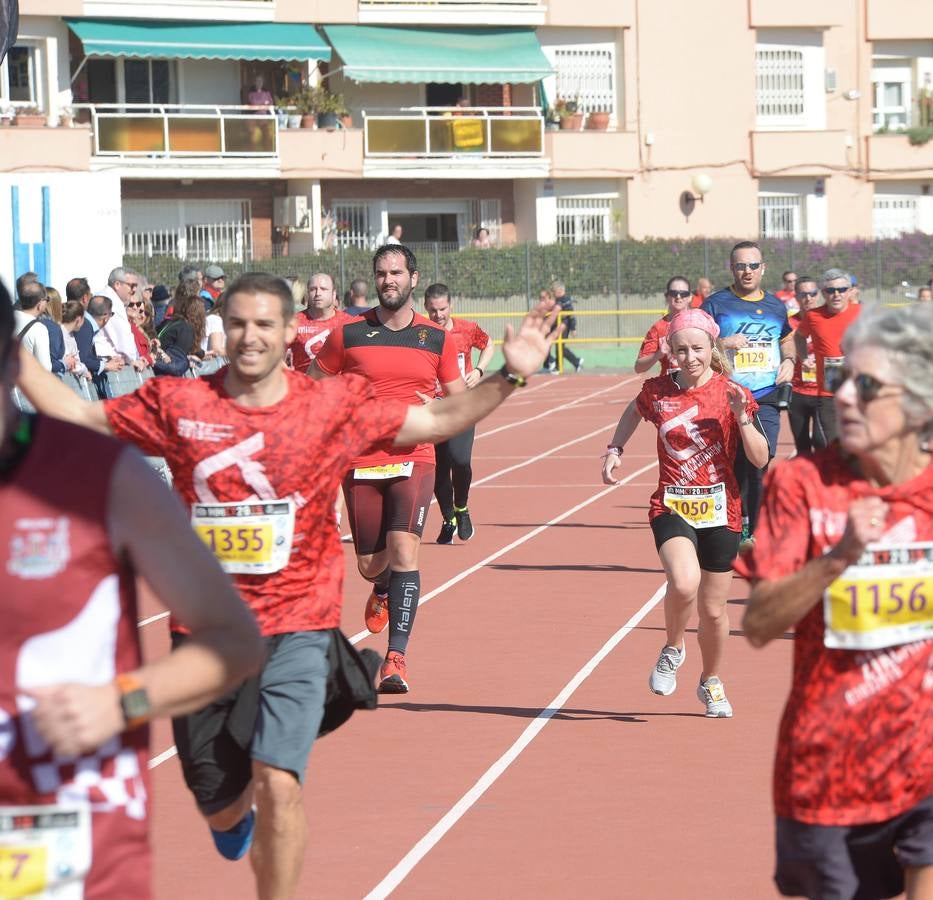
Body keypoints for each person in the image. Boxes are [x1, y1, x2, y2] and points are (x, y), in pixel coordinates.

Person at [17, 270, 559, 900]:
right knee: (220, 803)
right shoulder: (182, 404)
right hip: (206, 638)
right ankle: (230, 816)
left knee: (280, 780)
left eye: (265, 325)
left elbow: (435, 418)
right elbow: (80, 413)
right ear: (225, 327)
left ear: (290, 331)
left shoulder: (328, 406)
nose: (250, 337)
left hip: (299, 625)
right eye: (239, 323)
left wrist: (510, 375)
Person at [739, 303, 933, 900]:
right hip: (831, 757)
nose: (846, 398)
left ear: (920, 401)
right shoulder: (800, 485)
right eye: (842, 382)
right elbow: (758, 623)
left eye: (868, 385)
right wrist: (840, 557)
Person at [0, 280, 264, 899]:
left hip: (64, 838)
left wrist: (124, 702)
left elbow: (235, 640)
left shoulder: (99, 478)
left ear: (12, 364)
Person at [310, 245, 465, 693]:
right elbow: (312, 387)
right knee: (370, 564)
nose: (388, 280)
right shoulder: (349, 334)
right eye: (381, 274)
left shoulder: (436, 338)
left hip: (415, 456)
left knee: (405, 552)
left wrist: (435, 406)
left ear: (413, 278)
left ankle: (396, 659)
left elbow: (457, 401)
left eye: (396, 273)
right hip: (360, 458)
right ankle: (381, 589)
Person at [602, 308, 769, 717]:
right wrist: (614, 449)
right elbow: (631, 412)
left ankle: (711, 682)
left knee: (714, 610)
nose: (690, 357)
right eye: (681, 350)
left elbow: (761, 459)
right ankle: (673, 648)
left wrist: (743, 419)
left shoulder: (733, 392)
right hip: (673, 503)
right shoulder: (656, 391)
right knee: (683, 580)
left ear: (712, 347)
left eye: (697, 348)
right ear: (671, 352)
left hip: (722, 508)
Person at [700, 241, 797, 550]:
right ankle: (731, 526)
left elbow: (789, 338)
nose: (747, 271)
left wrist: (790, 360)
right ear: (732, 269)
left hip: (765, 395)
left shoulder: (775, 305)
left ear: (763, 268)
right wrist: (724, 343)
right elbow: (694, 343)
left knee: (761, 458)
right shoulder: (716, 304)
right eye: (741, 265)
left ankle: (752, 531)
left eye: (753, 265)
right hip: (727, 396)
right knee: (731, 464)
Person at [424, 283, 496, 545]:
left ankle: (461, 508)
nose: (438, 315)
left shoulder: (466, 329)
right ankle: (448, 518)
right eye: (433, 310)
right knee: (438, 470)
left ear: (450, 306)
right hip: (433, 408)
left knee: (460, 460)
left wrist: (478, 371)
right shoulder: (420, 333)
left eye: (442, 309)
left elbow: (489, 345)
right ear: (425, 308)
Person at [795, 268, 862, 446]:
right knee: (833, 446)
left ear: (850, 291)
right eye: (830, 290)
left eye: (841, 290)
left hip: (858, 390)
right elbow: (799, 336)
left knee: (859, 444)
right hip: (828, 393)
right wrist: (803, 357)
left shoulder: (862, 313)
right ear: (823, 293)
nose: (836, 295)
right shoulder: (813, 316)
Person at [788, 277, 825, 457]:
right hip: (797, 392)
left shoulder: (826, 320)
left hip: (822, 392)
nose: (808, 298)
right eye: (803, 294)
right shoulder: (788, 324)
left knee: (821, 441)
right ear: (796, 296)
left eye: (812, 294)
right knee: (802, 446)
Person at [287, 272, 349, 371]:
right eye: (313, 289)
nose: (318, 293)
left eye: (323, 289)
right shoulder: (294, 322)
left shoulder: (348, 322)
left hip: (338, 385)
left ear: (333, 294)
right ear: (307, 294)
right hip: (304, 385)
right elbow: (275, 355)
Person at [634, 276, 694, 375]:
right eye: (673, 293)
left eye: (683, 293)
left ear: (690, 297)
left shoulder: (701, 322)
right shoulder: (658, 328)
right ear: (667, 297)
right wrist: (658, 354)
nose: (678, 297)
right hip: (670, 387)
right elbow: (638, 368)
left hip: (696, 387)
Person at [13, 280, 53, 372]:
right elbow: (45, 368)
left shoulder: (6, 318)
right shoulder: (39, 329)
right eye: (47, 299)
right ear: (40, 303)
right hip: (22, 383)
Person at [545, 279, 583, 373]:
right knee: (551, 344)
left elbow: (571, 314)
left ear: (560, 290)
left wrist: (573, 328)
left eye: (554, 291)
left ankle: (559, 367)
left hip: (564, 326)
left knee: (560, 347)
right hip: (556, 325)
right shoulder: (557, 299)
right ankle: (576, 362)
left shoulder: (565, 300)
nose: (553, 293)